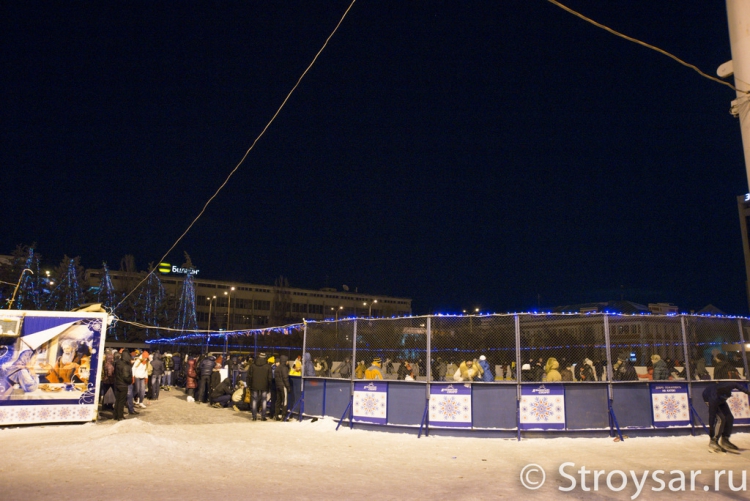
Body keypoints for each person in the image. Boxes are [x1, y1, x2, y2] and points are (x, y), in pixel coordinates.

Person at [703, 381, 750, 452]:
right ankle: (713, 441)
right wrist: (711, 431)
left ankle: (725, 439)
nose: (726, 399)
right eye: (724, 398)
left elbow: (737, 385)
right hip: (708, 397)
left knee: (729, 417)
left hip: (719, 397)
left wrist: (747, 392)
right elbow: (712, 416)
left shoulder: (729, 385)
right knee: (721, 419)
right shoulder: (713, 399)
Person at [248, 352, 273, 421]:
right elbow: (269, 378)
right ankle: (263, 416)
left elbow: (249, 376)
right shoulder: (268, 366)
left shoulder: (252, 366)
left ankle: (254, 416)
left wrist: (249, 385)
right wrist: (269, 386)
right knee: (264, 400)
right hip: (264, 385)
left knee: (254, 400)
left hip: (254, 385)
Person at [113, 350, 133, 421]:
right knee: (122, 401)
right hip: (123, 385)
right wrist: (130, 381)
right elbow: (126, 377)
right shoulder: (126, 366)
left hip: (117, 383)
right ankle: (120, 416)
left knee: (117, 400)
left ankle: (116, 415)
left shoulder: (117, 363)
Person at [274, 355, 291, 420]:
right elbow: (285, 378)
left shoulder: (277, 368)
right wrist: (288, 387)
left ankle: (276, 415)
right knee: (285, 401)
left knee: (278, 400)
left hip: (278, 385)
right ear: (285, 361)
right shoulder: (284, 368)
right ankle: (284, 415)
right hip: (283, 386)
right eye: (287, 361)